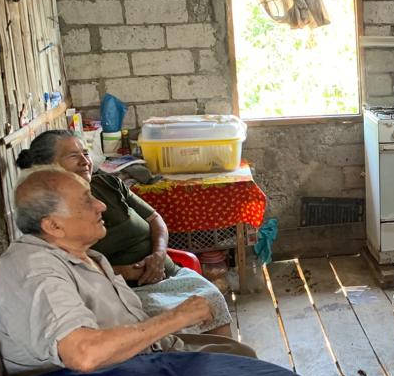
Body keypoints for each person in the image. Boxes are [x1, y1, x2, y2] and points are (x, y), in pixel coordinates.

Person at [0, 169, 255, 376]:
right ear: (54, 226)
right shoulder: (34, 271)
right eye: (86, 201)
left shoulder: (84, 255)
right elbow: (84, 354)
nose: (101, 206)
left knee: (240, 356)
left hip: (143, 358)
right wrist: (177, 317)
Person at [15, 130, 234, 336]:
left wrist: (159, 256)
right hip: (122, 291)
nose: (85, 161)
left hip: (167, 273)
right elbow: (72, 269)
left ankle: (224, 359)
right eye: (74, 156)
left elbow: (155, 219)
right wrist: (126, 273)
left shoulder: (107, 184)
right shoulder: (52, 213)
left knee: (211, 299)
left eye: (85, 153)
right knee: (171, 327)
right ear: (49, 167)